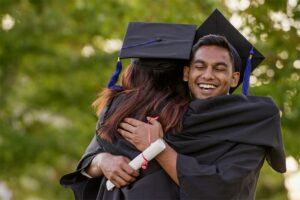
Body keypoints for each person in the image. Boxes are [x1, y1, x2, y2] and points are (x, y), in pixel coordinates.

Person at [117, 9, 286, 200]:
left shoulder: (250, 126)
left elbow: (220, 190)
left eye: (219, 68)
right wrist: (101, 162)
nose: (207, 75)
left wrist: (157, 148)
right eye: (200, 66)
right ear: (186, 73)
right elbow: (101, 149)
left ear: (234, 78)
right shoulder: (164, 115)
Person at [60, 22, 196, 199]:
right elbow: (90, 160)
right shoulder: (193, 113)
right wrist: (103, 161)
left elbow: (86, 164)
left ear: (133, 70)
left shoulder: (115, 109)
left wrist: (102, 160)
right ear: (184, 73)